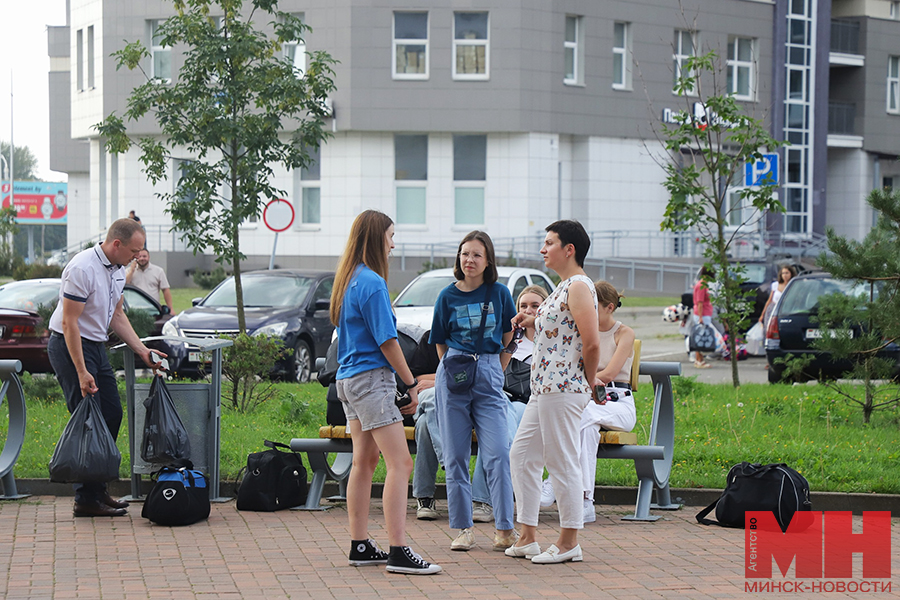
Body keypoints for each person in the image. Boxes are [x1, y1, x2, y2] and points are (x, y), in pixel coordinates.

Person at [329, 210, 441, 575]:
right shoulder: (373, 281)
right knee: (401, 463)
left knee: (364, 462)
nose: (394, 244)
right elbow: (388, 341)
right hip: (369, 380)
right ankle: (398, 549)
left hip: (347, 381)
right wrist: (409, 383)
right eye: (391, 236)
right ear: (377, 237)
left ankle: (360, 544)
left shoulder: (349, 279)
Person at [47, 218, 166, 518]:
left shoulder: (116, 271)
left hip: (96, 347)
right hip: (69, 345)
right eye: (135, 250)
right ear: (117, 244)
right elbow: (68, 322)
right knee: (89, 420)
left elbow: (116, 316)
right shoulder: (82, 267)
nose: (138, 257)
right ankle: (86, 498)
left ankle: (95, 490)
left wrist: (143, 351)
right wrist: (81, 370)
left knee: (111, 412)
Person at [507, 220, 601, 564]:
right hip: (544, 387)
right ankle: (528, 535)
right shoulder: (562, 287)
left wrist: (589, 382)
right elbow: (561, 327)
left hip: (563, 387)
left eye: (549, 243)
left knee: (562, 461)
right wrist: (530, 321)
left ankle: (568, 541)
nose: (543, 249)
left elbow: (591, 343)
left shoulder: (578, 286)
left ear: (569, 249)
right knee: (521, 455)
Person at [413, 285, 547, 523]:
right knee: (426, 420)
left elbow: (502, 355)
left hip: (512, 398)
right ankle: (432, 492)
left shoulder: (537, 340)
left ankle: (481, 501)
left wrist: (494, 371)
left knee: (497, 433)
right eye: (523, 305)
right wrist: (447, 374)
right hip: (466, 391)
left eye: (535, 305)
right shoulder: (445, 321)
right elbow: (440, 363)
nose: (528, 310)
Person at [429, 230, 518, 552]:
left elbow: (509, 335)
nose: (470, 260)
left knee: (498, 454)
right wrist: (453, 368)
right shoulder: (446, 296)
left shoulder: (499, 293)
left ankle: (505, 529)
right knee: (455, 456)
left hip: (490, 374)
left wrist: (493, 366)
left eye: (477, 255)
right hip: (453, 375)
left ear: (488, 260)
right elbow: (439, 340)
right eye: (465, 254)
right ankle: (463, 528)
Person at [539, 280, 636, 524]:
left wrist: (580, 384)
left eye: (595, 306)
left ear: (609, 307)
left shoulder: (624, 334)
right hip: (589, 404)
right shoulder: (582, 332)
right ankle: (585, 502)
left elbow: (610, 373)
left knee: (582, 415)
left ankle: (554, 479)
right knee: (588, 430)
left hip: (618, 405)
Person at [759, 264, 797, 329]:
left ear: (791, 274)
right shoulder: (775, 285)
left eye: (787, 273)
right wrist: (762, 315)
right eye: (783, 273)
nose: (785, 275)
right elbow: (769, 300)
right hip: (773, 309)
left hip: (788, 309)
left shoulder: (795, 285)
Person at [692, 266, 715, 368]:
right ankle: (699, 360)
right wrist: (700, 317)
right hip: (702, 314)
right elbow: (700, 302)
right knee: (701, 336)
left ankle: (700, 359)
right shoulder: (702, 285)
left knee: (702, 336)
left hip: (705, 314)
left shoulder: (703, 284)